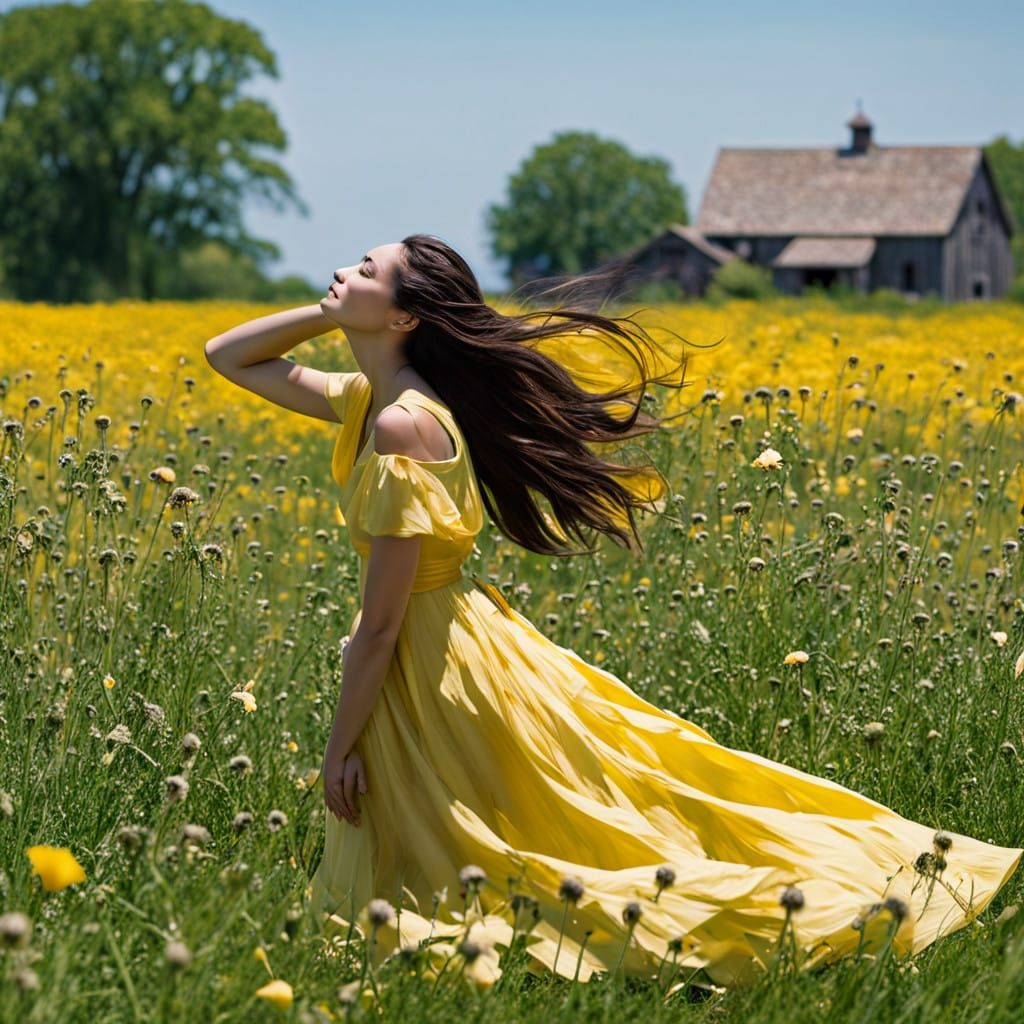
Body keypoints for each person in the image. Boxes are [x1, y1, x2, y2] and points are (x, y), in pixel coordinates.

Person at [204, 234, 1022, 988]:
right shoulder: (375, 400)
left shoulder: (398, 424)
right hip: (453, 641)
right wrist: (328, 309)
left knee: (538, 837)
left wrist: (337, 748)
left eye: (366, 271)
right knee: (539, 817)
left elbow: (379, 626)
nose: (344, 271)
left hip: (429, 657)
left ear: (408, 314)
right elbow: (226, 356)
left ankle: (743, 917)